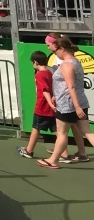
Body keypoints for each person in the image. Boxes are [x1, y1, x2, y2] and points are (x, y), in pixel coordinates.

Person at [39, 34, 91, 168]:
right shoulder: (75, 62)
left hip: (68, 105)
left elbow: (71, 86)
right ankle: (53, 159)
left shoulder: (67, 65)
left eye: (56, 50)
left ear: (62, 48)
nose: (55, 53)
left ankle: (53, 160)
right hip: (78, 102)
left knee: (61, 133)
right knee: (87, 132)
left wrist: (77, 106)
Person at [18, 50, 57, 158]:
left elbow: (45, 90)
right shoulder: (49, 72)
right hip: (51, 109)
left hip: (42, 107)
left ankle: (29, 150)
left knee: (36, 127)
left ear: (35, 62)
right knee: (57, 130)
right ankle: (64, 153)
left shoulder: (40, 75)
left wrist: (50, 103)